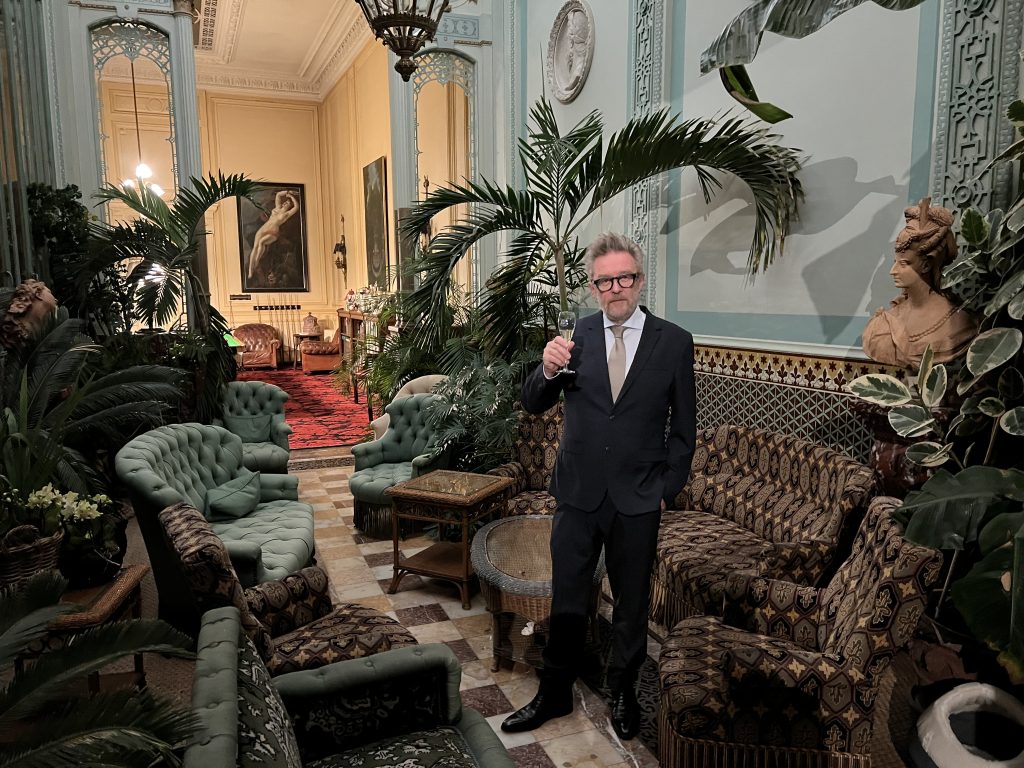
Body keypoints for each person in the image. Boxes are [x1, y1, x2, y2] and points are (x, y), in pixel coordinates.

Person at [501, 232, 696, 740]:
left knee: (631, 602)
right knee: (567, 595)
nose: (615, 289)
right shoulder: (575, 337)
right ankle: (555, 690)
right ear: (592, 288)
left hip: (638, 498)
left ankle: (625, 689)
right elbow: (534, 402)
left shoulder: (673, 342)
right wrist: (544, 371)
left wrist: (665, 489)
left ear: (639, 280)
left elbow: (684, 430)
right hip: (578, 494)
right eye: (604, 281)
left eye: (624, 278)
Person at [863, 197, 977, 368]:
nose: (892, 270)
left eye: (904, 263)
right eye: (895, 262)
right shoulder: (883, 323)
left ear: (925, 265)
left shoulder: (958, 324)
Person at [247, 190, 299, 280]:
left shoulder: (286, 214)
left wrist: (291, 197)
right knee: (255, 247)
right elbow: (278, 195)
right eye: (285, 201)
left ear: (289, 207)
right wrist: (288, 192)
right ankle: (250, 271)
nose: (285, 203)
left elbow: (296, 207)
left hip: (273, 232)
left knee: (261, 243)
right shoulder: (277, 208)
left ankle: (257, 261)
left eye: (288, 203)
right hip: (264, 228)